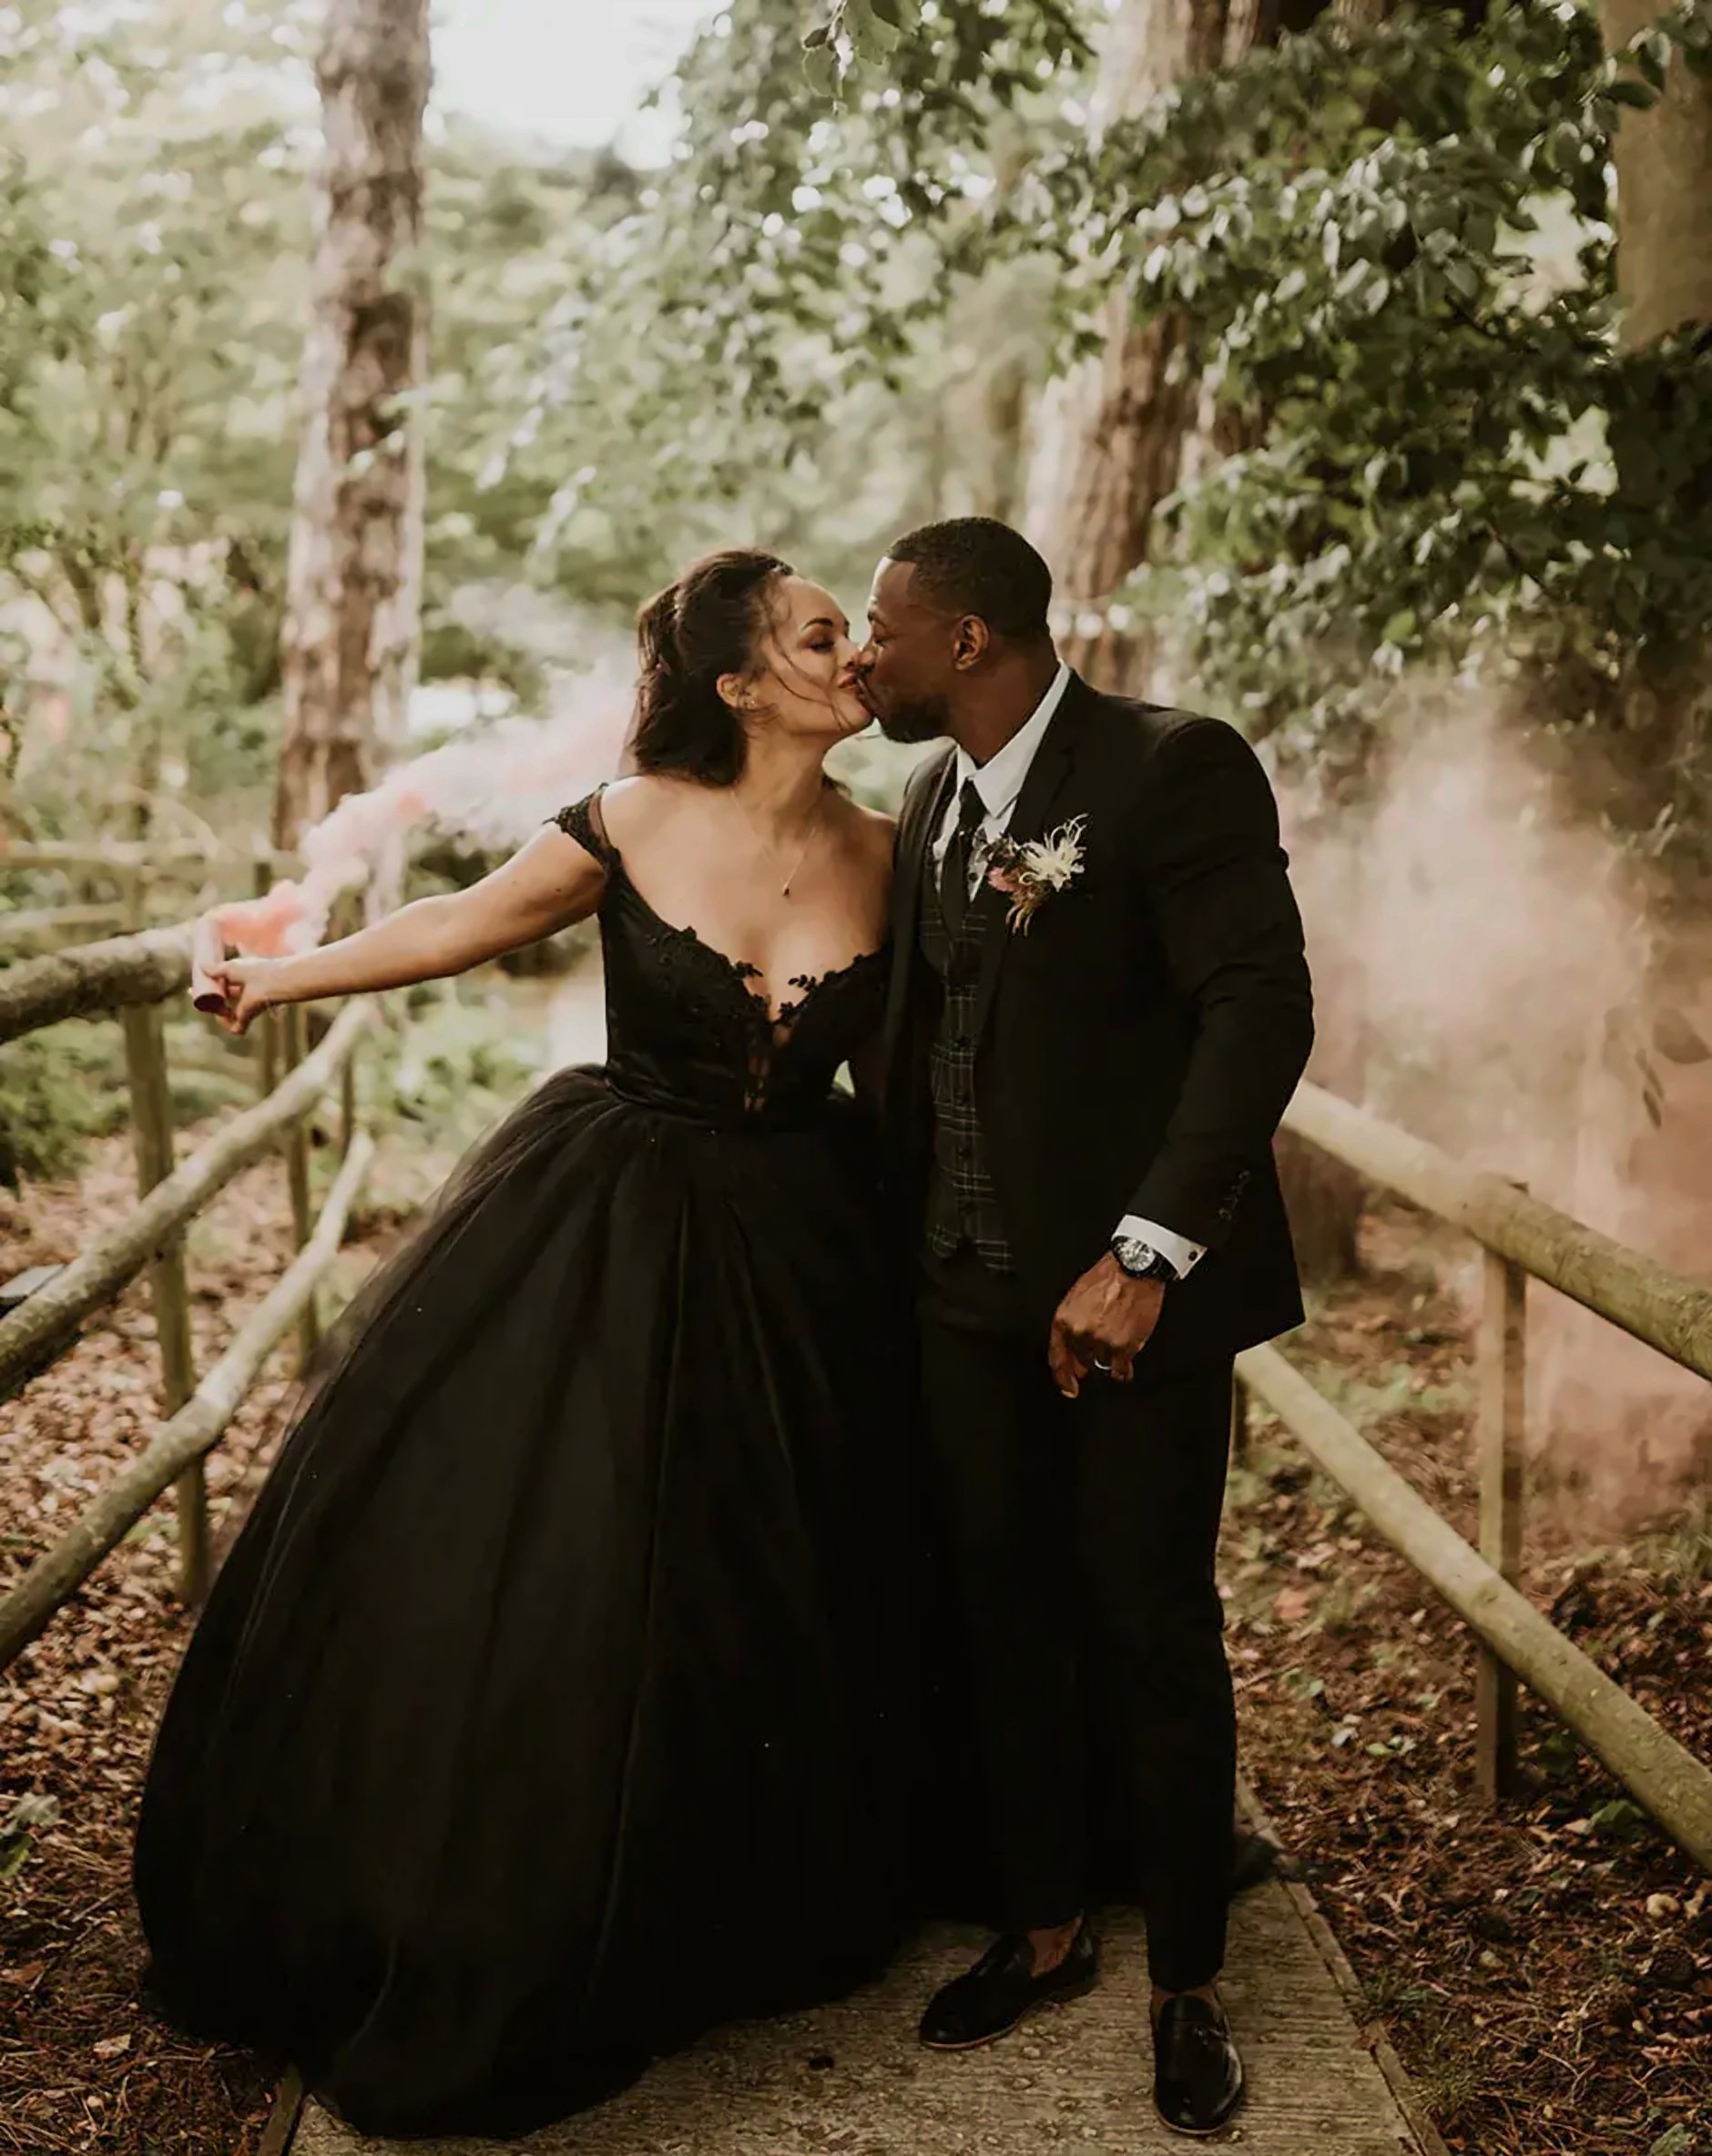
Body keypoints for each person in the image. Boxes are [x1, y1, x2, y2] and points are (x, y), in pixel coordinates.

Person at [132, 551, 923, 2140]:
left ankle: (736, 1883)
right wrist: (280, 973)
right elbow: (457, 923)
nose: (861, 656)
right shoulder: (631, 819)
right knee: (579, 1550)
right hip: (611, 1211)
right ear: (741, 683)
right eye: (825, 634)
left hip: (807, 1239)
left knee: (774, 1563)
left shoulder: (894, 852)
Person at [860, 517, 1314, 2138]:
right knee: (1001, 1612)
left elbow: (1261, 1007)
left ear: (969, 639)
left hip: (1132, 1310)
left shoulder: (1171, 766)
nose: (863, 654)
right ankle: (1045, 1922)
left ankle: (1187, 1979)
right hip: (959, 1304)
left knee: (1148, 1623)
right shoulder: (926, 802)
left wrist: (1143, 1254)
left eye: (883, 628)